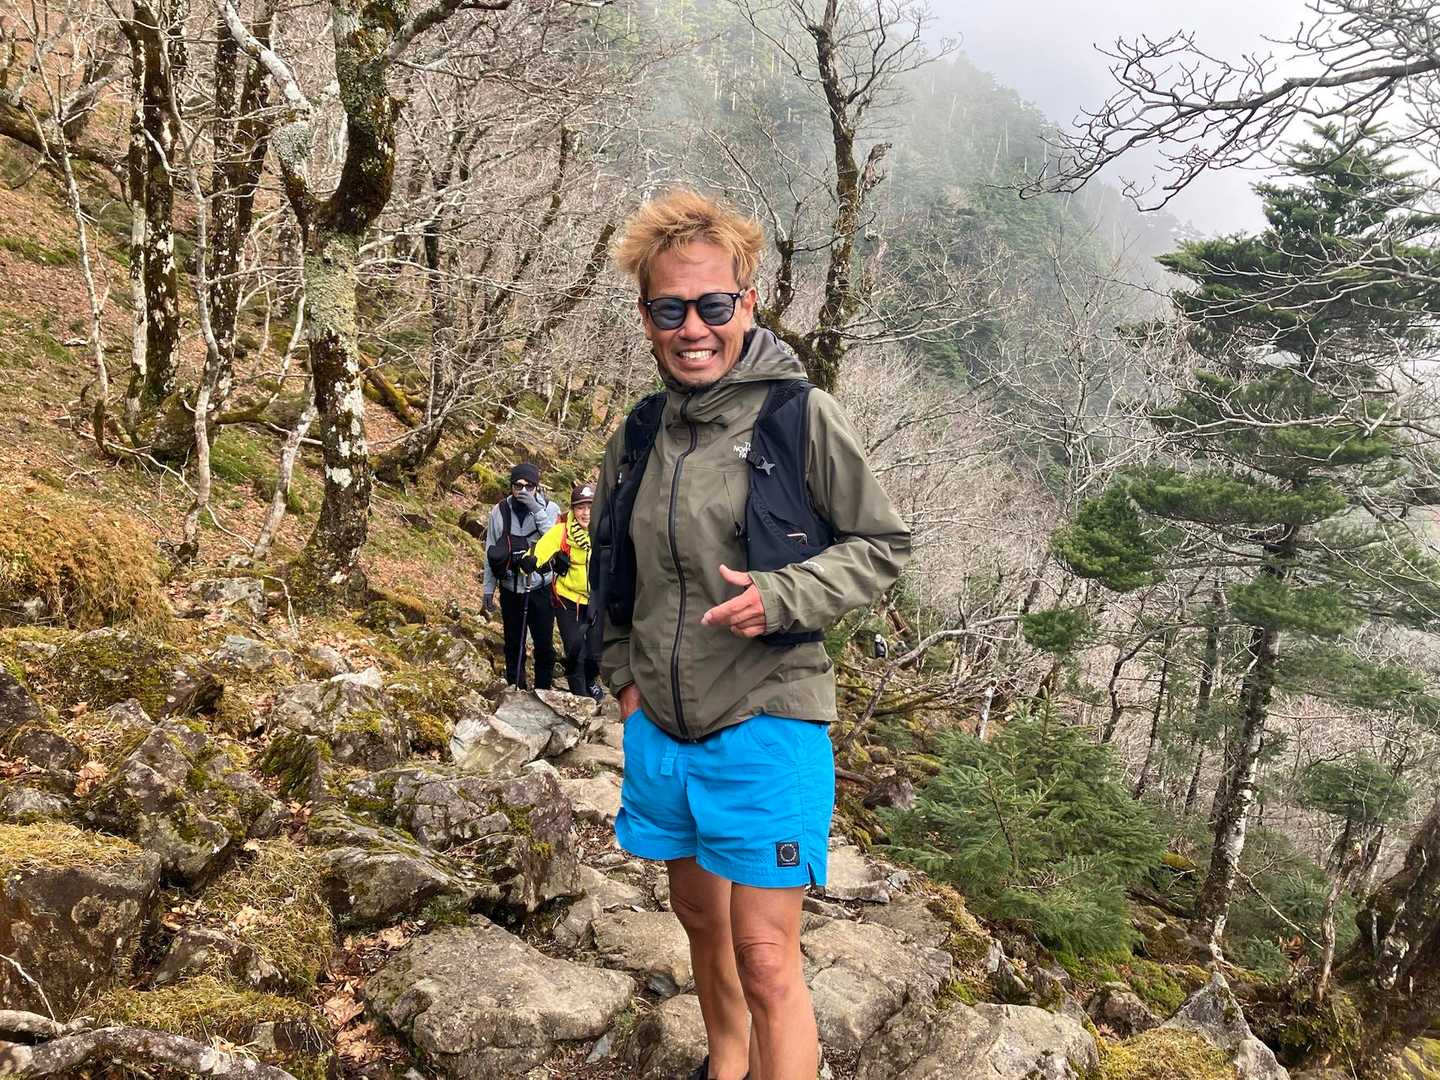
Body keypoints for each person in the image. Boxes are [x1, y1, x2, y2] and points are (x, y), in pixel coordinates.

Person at [591, 190, 911, 1080]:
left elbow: (881, 545)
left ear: (748, 303)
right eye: (670, 309)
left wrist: (783, 594)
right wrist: (624, 679)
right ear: (646, 317)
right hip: (664, 726)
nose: (692, 328)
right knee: (698, 917)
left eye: (712, 305)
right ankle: (724, 1065)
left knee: (767, 956)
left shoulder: (799, 417)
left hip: (769, 716)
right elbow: (612, 562)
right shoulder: (642, 432)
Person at [481, 463, 561, 690]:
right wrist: (488, 589)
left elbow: (554, 540)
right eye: (518, 486)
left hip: (540, 587)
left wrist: (536, 509)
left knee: (544, 644)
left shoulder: (550, 509)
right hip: (510, 587)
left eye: (529, 486)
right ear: (511, 486)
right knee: (513, 644)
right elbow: (490, 550)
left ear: (537, 487)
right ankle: (516, 687)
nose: (523, 491)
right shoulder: (499, 511)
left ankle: (543, 690)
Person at [533, 482, 601, 700]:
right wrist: (529, 562)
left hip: (596, 600)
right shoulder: (562, 531)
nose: (586, 513)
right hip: (567, 599)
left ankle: (590, 680)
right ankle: (581, 698)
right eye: (580, 507)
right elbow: (541, 549)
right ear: (573, 509)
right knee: (574, 650)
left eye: (590, 507)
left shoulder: (605, 531)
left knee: (595, 654)